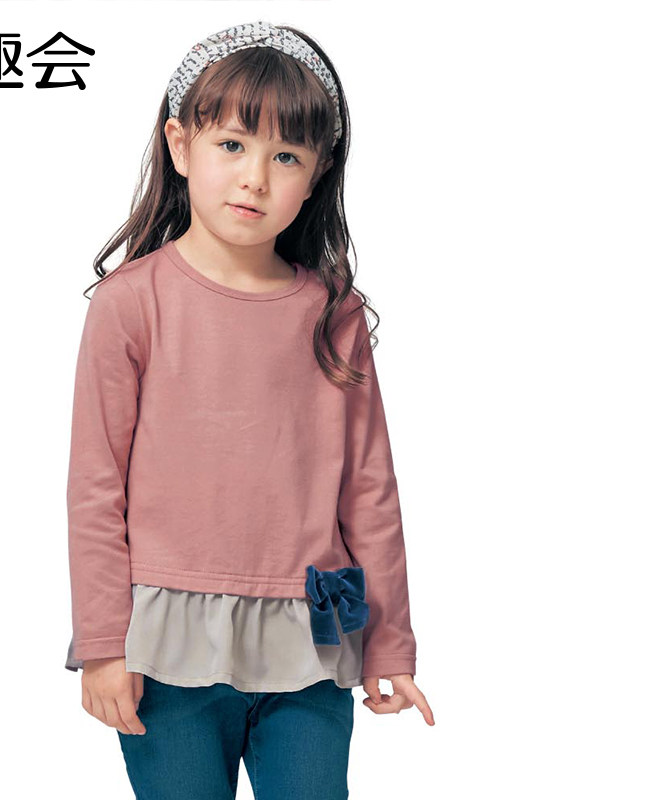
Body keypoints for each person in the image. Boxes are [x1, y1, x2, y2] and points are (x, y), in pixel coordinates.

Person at [64, 19, 435, 799]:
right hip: (167, 646)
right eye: (232, 144)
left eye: (286, 156)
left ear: (318, 172)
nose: (255, 179)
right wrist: (102, 642)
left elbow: (369, 489)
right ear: (180, 144)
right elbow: (96, 488)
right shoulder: (131, 303)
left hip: (311, 640)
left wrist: (389, 642)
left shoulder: (334, 312)